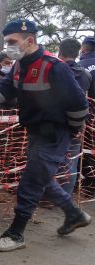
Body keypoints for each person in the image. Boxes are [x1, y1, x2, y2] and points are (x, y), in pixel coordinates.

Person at [0, 19, 92, 252]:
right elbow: (4, 90)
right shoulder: (20, 65)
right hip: (35, 133)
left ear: (30, 40)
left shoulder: (55, 67)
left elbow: (79, 105)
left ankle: (16, 234)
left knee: (31, 181)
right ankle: (74, 214)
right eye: (6, 42)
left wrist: (71, 131)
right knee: (42, 179)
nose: (8, 46)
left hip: (54, 134)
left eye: (12, 41)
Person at [56, 38, 93, 195]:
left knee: (51, 159)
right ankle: (65, 195)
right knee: (72, 159)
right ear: (78, 53)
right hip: (79, 123)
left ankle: (50, 196)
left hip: (56, 122)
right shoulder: (85, 74)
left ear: (60, 52)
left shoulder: (55, 70)